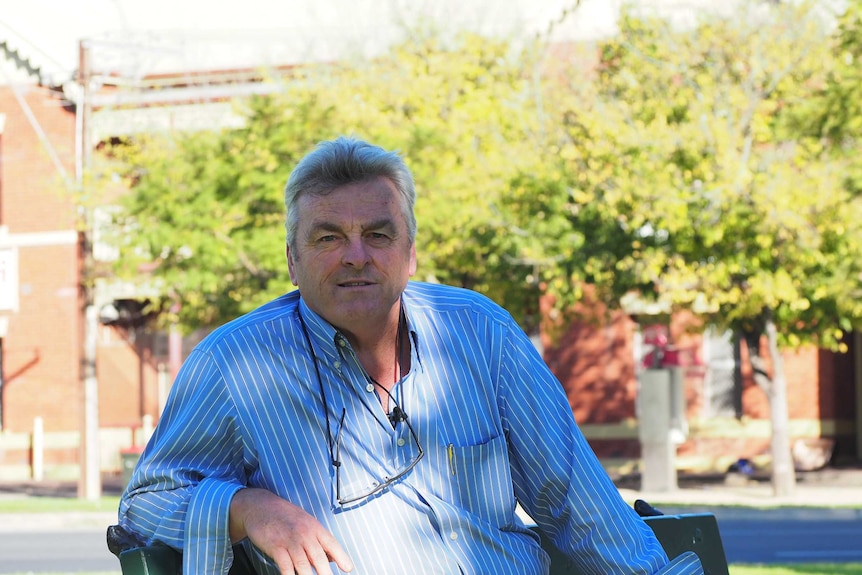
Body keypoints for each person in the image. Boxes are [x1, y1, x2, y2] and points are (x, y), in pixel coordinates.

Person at [118, 136, 703, 575]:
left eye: (378, 234)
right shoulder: (234, 364)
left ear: (410, 253)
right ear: (293, 260)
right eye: (327, 238)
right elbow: (147, 501)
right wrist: (248, 508)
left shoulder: (479, 333)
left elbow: (575, 501)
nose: (355, 256)